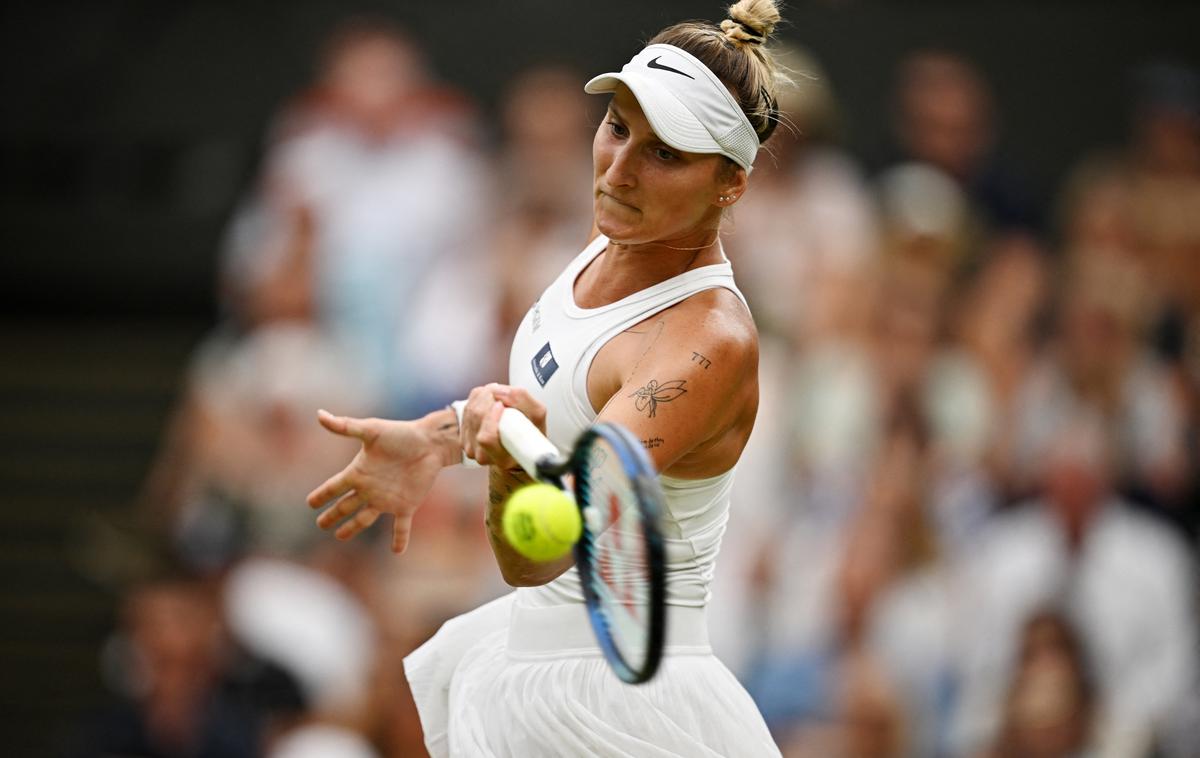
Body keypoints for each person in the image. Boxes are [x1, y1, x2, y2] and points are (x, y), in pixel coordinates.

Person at [304, 1, 788, 755]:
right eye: (618, 127)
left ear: (730, 184)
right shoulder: (611, 241)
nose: (619, 169)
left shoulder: (705, 345)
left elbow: (537, 554)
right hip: (533, 661)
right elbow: (553, 410)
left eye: (666, 154)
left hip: (616, 711)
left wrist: (499, 468)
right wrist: (441, 437)